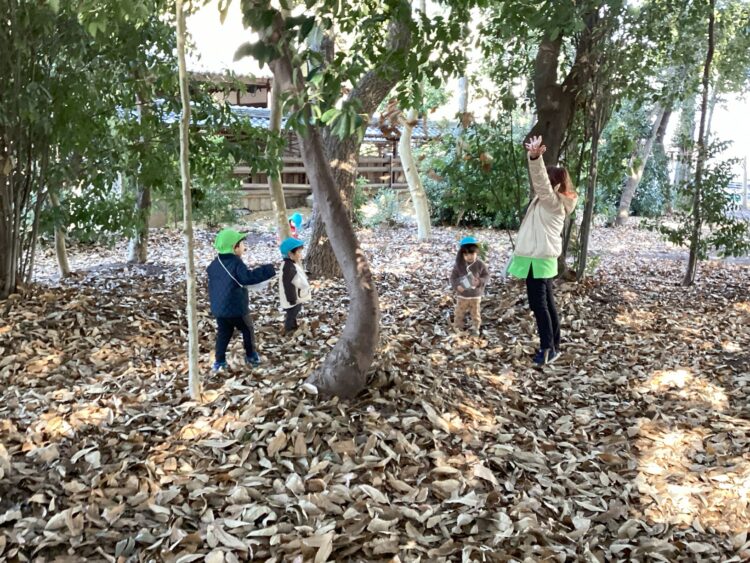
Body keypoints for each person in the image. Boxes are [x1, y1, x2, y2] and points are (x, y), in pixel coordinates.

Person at [507, 135, 578, 365]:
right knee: (547, 303)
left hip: (538, 259)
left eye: (547, 179)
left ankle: (548, 349)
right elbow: (541, 186)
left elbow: (541, 183)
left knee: (539, 306)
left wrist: (535, 158)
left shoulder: (552, 202)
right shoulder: (550, 203)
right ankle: (554, 345)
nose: (540, 183)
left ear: (554, 184)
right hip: (540, 258)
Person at [207, 229, 275, 372]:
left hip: (219, 309)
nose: (244, 246)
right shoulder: (236, 263)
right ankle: (251, 355)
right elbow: (247, 278)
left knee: (223, 333)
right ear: (234, 247)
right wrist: (268, 270)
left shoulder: (213, 265)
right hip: (237, 308)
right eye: (242, 243)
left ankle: (219, 361)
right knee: (247, 329)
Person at [450, 236, 490, 335]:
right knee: (459, 312)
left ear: (477, 252)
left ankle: (475, 327)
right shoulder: (459, 265)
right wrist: (457, 286)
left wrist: (480, 281)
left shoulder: (480, 264)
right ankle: (458, 326)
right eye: (466, 254)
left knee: (475, 313)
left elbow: (486, 276)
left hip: (475, 295)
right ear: (462, 254)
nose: (469, 257)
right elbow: (452, 278)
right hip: (462, 295)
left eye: (472, 254)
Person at [278, 237, 311, 335]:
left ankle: (292, 326)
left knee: (294, 312)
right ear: (290, 254)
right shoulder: (288, 267)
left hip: (294, 296)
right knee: (292, 313)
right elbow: (288, 285)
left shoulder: (290, 264)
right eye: (299, 252)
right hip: (292, 298)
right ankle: (289, 329)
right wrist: (292, 299)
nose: (300, 255)